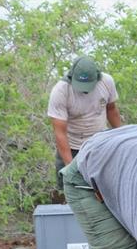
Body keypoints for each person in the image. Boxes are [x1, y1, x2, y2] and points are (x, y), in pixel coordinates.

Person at [47, 56, 121, 190]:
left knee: (105, 190)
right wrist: (70, 168)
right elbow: (60, 133)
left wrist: (122, 137)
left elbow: (112, 110)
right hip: (72, 148)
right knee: (71, 191)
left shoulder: (106, 82)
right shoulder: (60, 91)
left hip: (99, 145)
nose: (85, 90)